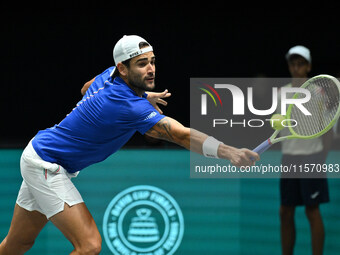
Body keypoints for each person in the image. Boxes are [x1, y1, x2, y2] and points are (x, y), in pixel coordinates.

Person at [0, 35, 259, 255]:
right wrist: (229, 151)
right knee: (89, 245)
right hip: (46, 163)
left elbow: (85, 88)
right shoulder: (129, 107)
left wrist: (144, 95)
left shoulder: (108, 74)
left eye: (153, 62)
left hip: (39, 151)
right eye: (142, 64)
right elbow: (181, 134)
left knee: (18, 243)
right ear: (123, 68)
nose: (151, 69)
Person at [279, 45, 333, 255]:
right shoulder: (281, 93)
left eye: (300, 63)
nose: (296, 67)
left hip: (312, 158)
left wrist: (320, 158)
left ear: (308, 66)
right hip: (289, 159)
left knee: (312, 211)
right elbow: (280, 127)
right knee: (285, 211)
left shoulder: (318, 93)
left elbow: (327, 131)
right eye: (292, 63)